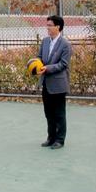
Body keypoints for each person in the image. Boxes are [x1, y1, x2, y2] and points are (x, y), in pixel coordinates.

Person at [37, 15, 72, 150]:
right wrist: (36, 65)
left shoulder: (65, 44)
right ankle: (51, 138)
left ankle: (60, 140)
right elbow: (39, 58)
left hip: (58, 85)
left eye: (50, 25)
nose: (47, 28)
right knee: (49, 113)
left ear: (58, 27)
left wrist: (47, 68)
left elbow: (63, 64)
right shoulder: (45, 41)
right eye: (47, 25)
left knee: (59, 114)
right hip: (46, 83)